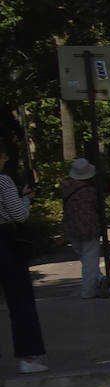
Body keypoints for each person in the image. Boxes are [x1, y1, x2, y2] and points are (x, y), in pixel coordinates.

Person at [0, 147, 47, 373]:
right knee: (20, 300)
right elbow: (19, 214)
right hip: (5, 240)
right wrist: (26, 199)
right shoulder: (3, 181)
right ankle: (28, 356)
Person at [60, 158, 105, 298]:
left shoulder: (65, 188)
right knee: (90, 259)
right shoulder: (91, 191)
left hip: (71, 226)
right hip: (89, 227)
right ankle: (88, 291)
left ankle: (98, 279)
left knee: (84, 257)